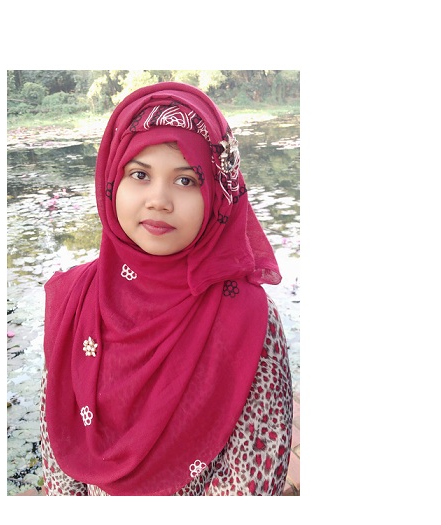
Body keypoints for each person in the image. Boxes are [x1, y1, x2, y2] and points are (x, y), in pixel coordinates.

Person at [39, 81, 294, 496]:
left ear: (217, 195)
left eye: (187, 180)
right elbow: (59, 440)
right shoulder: (74, 297)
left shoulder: (248, 319)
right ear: (111, 181)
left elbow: (253, 473)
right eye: (140, 174)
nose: (159, 199)